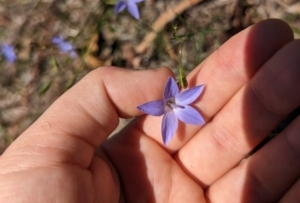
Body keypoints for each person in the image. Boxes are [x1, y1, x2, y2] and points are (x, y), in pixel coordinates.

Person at [0, 19, 299, 202]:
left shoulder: (177, 101)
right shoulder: (165, 107)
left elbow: (183, 101)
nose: (170, 104)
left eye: (170, 101)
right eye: (168, 102)